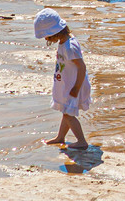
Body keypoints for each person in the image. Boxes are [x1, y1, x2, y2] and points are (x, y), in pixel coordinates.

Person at [35, 8, 90, 150]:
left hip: (74, 85)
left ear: (55, 32)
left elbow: (82, 67)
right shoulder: (63, 42)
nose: (47, 40)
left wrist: (76, 89)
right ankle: (60, 137)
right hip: (67, 83)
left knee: (68, 115)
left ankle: (81, 141)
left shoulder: (70, 46)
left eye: (47, 37)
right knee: (66, 112)